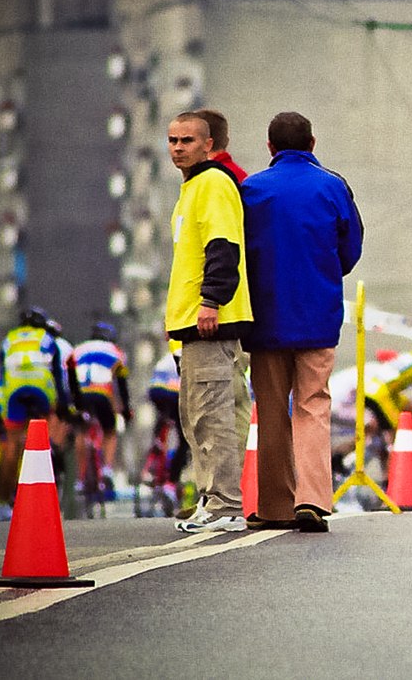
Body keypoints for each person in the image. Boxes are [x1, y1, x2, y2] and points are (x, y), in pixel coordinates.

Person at [241, 111, 363, 532]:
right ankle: (312, 499)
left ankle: (276, 505)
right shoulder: (333, 186)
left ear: (270, 147)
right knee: (312, 405)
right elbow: (350, 249)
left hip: (265, 317)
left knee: (272, 409)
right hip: (318, 315)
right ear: (312, 143)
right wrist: (323, 273)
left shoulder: (251, 189)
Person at [164, 110, 254, 533]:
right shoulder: (192, 188)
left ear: (209, 144)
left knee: (213, 415)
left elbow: (223, 247)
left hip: (211, 321)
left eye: (187, 140)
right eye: (173, 140)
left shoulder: (214, 183)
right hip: (192, 322)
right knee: (196, 416)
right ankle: (211, 499)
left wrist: (211, 301)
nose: (178, 148)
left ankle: (225, 505)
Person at [0, 306, 75, 509]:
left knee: (11, 446)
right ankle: (49, 450)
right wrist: (63, 406)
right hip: (41, 390)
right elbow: (57, 376)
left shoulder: (9, 339)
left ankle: (3, 502)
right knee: (50, 423)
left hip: (14, 391)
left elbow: (2, 373)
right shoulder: (47, 339)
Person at [71, 322, 132, 494]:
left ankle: (81, 478)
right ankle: (106, 470)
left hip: (80, 394)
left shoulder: (78, 349)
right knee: (110, 430)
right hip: (101, 393)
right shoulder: (116, 351)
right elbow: (121, 383)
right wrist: (126, 409)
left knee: (81, 431)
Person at [147, 348, 191, 487]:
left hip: (156, 390)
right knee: (184, 439)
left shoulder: (167, 357)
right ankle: (173, 479)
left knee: (163, 417)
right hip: (175, 392)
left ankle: (156, 442)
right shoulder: (190, 352)